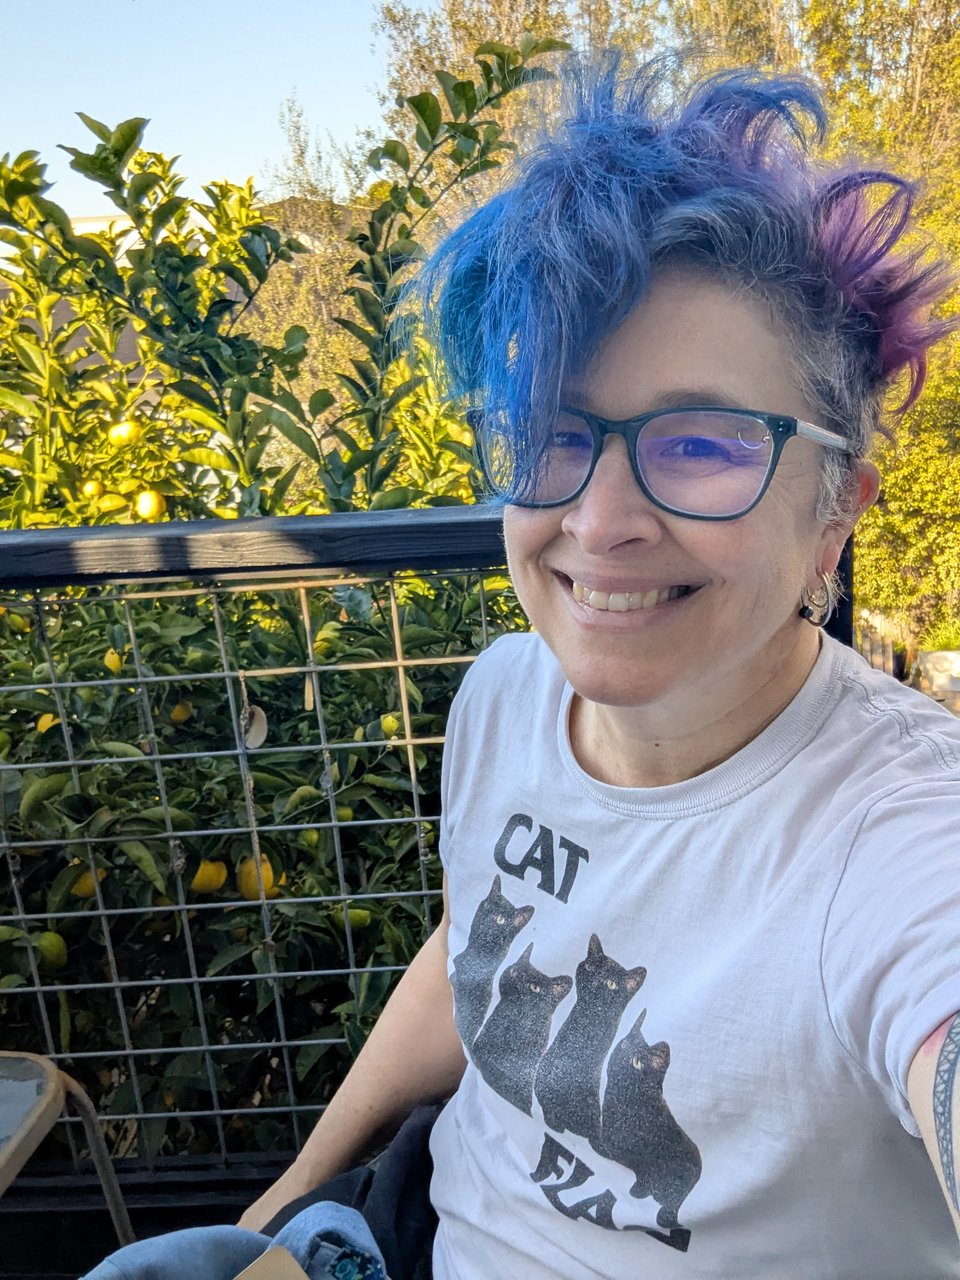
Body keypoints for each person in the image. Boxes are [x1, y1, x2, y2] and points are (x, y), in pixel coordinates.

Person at [241, 54, 960, 1278]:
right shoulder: (507, 694)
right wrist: (289, 1203)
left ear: (834, 512)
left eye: (699, 441)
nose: (600, 518)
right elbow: (478, 943)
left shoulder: (894, 835)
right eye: (555, 435)